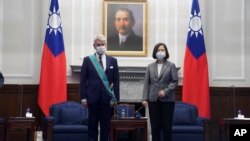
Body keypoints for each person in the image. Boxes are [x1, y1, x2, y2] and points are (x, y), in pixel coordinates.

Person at [80, 34, 120, 141]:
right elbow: (83, 81)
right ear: (94, 46)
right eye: (98, 45)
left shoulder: (113, 61)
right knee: (92, 127)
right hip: (92, 98)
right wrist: (83, 98)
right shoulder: (88, 60)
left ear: (105, 45)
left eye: (103, 44)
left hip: (107, 99)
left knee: (105, 127)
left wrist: (116, 98)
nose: (101, 46)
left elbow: (116, 81)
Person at [142, 42, 178, 141]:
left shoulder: (171, 65)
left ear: (166, 52)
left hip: (167, 100)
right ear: (155, 52)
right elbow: (146, 83)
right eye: (158, 50)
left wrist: (165, 91)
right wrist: (144, 98)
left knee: (167, 127)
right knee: (155, 127)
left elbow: (175, 81)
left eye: (162, 50)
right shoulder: (150, 66)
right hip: (153, 100)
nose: (160, 52)